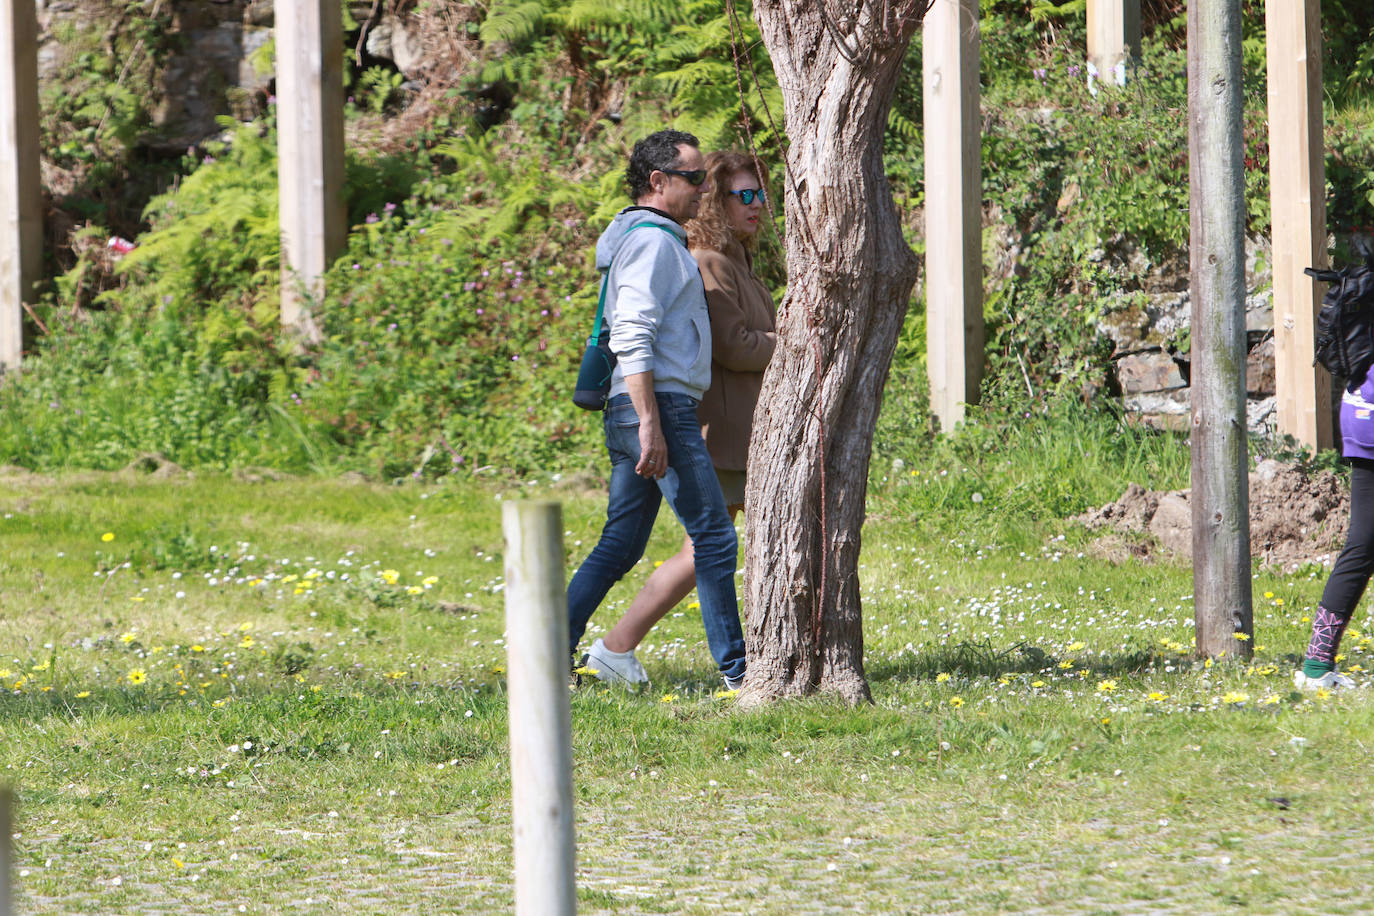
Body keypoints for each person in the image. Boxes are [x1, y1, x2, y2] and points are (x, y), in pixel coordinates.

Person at [579, 150, 777, 689]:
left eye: (760, 194)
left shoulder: (710, 255)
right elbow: (658, 337)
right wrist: (650, 421)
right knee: (710, 542)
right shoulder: (681, 252)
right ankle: (735, 670)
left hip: (684, 414)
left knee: (629, 543)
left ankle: (579, 649)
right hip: (688, 417)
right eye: (744, 195)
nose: (757, 205)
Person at [1295, 376, 1374, 690]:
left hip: (1361, 409)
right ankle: (1316, 665)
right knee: (1364, 541)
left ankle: (1317, 664)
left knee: (1364, 542)